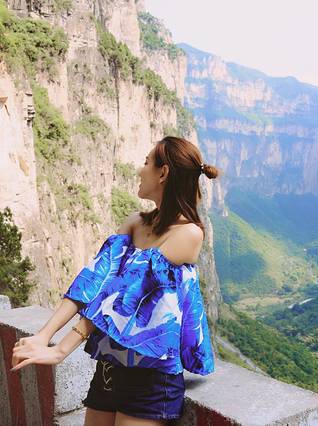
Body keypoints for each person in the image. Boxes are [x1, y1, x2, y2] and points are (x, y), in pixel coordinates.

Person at [11, 136, 220, 426]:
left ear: (163, 173)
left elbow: (122, 295)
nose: (140, 169)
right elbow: (95, 279)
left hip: (151, 375)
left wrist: (61, 349)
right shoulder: (135, 222)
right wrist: (43, 335)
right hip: (110, 366)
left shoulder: (188, 234)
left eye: (146, 162)